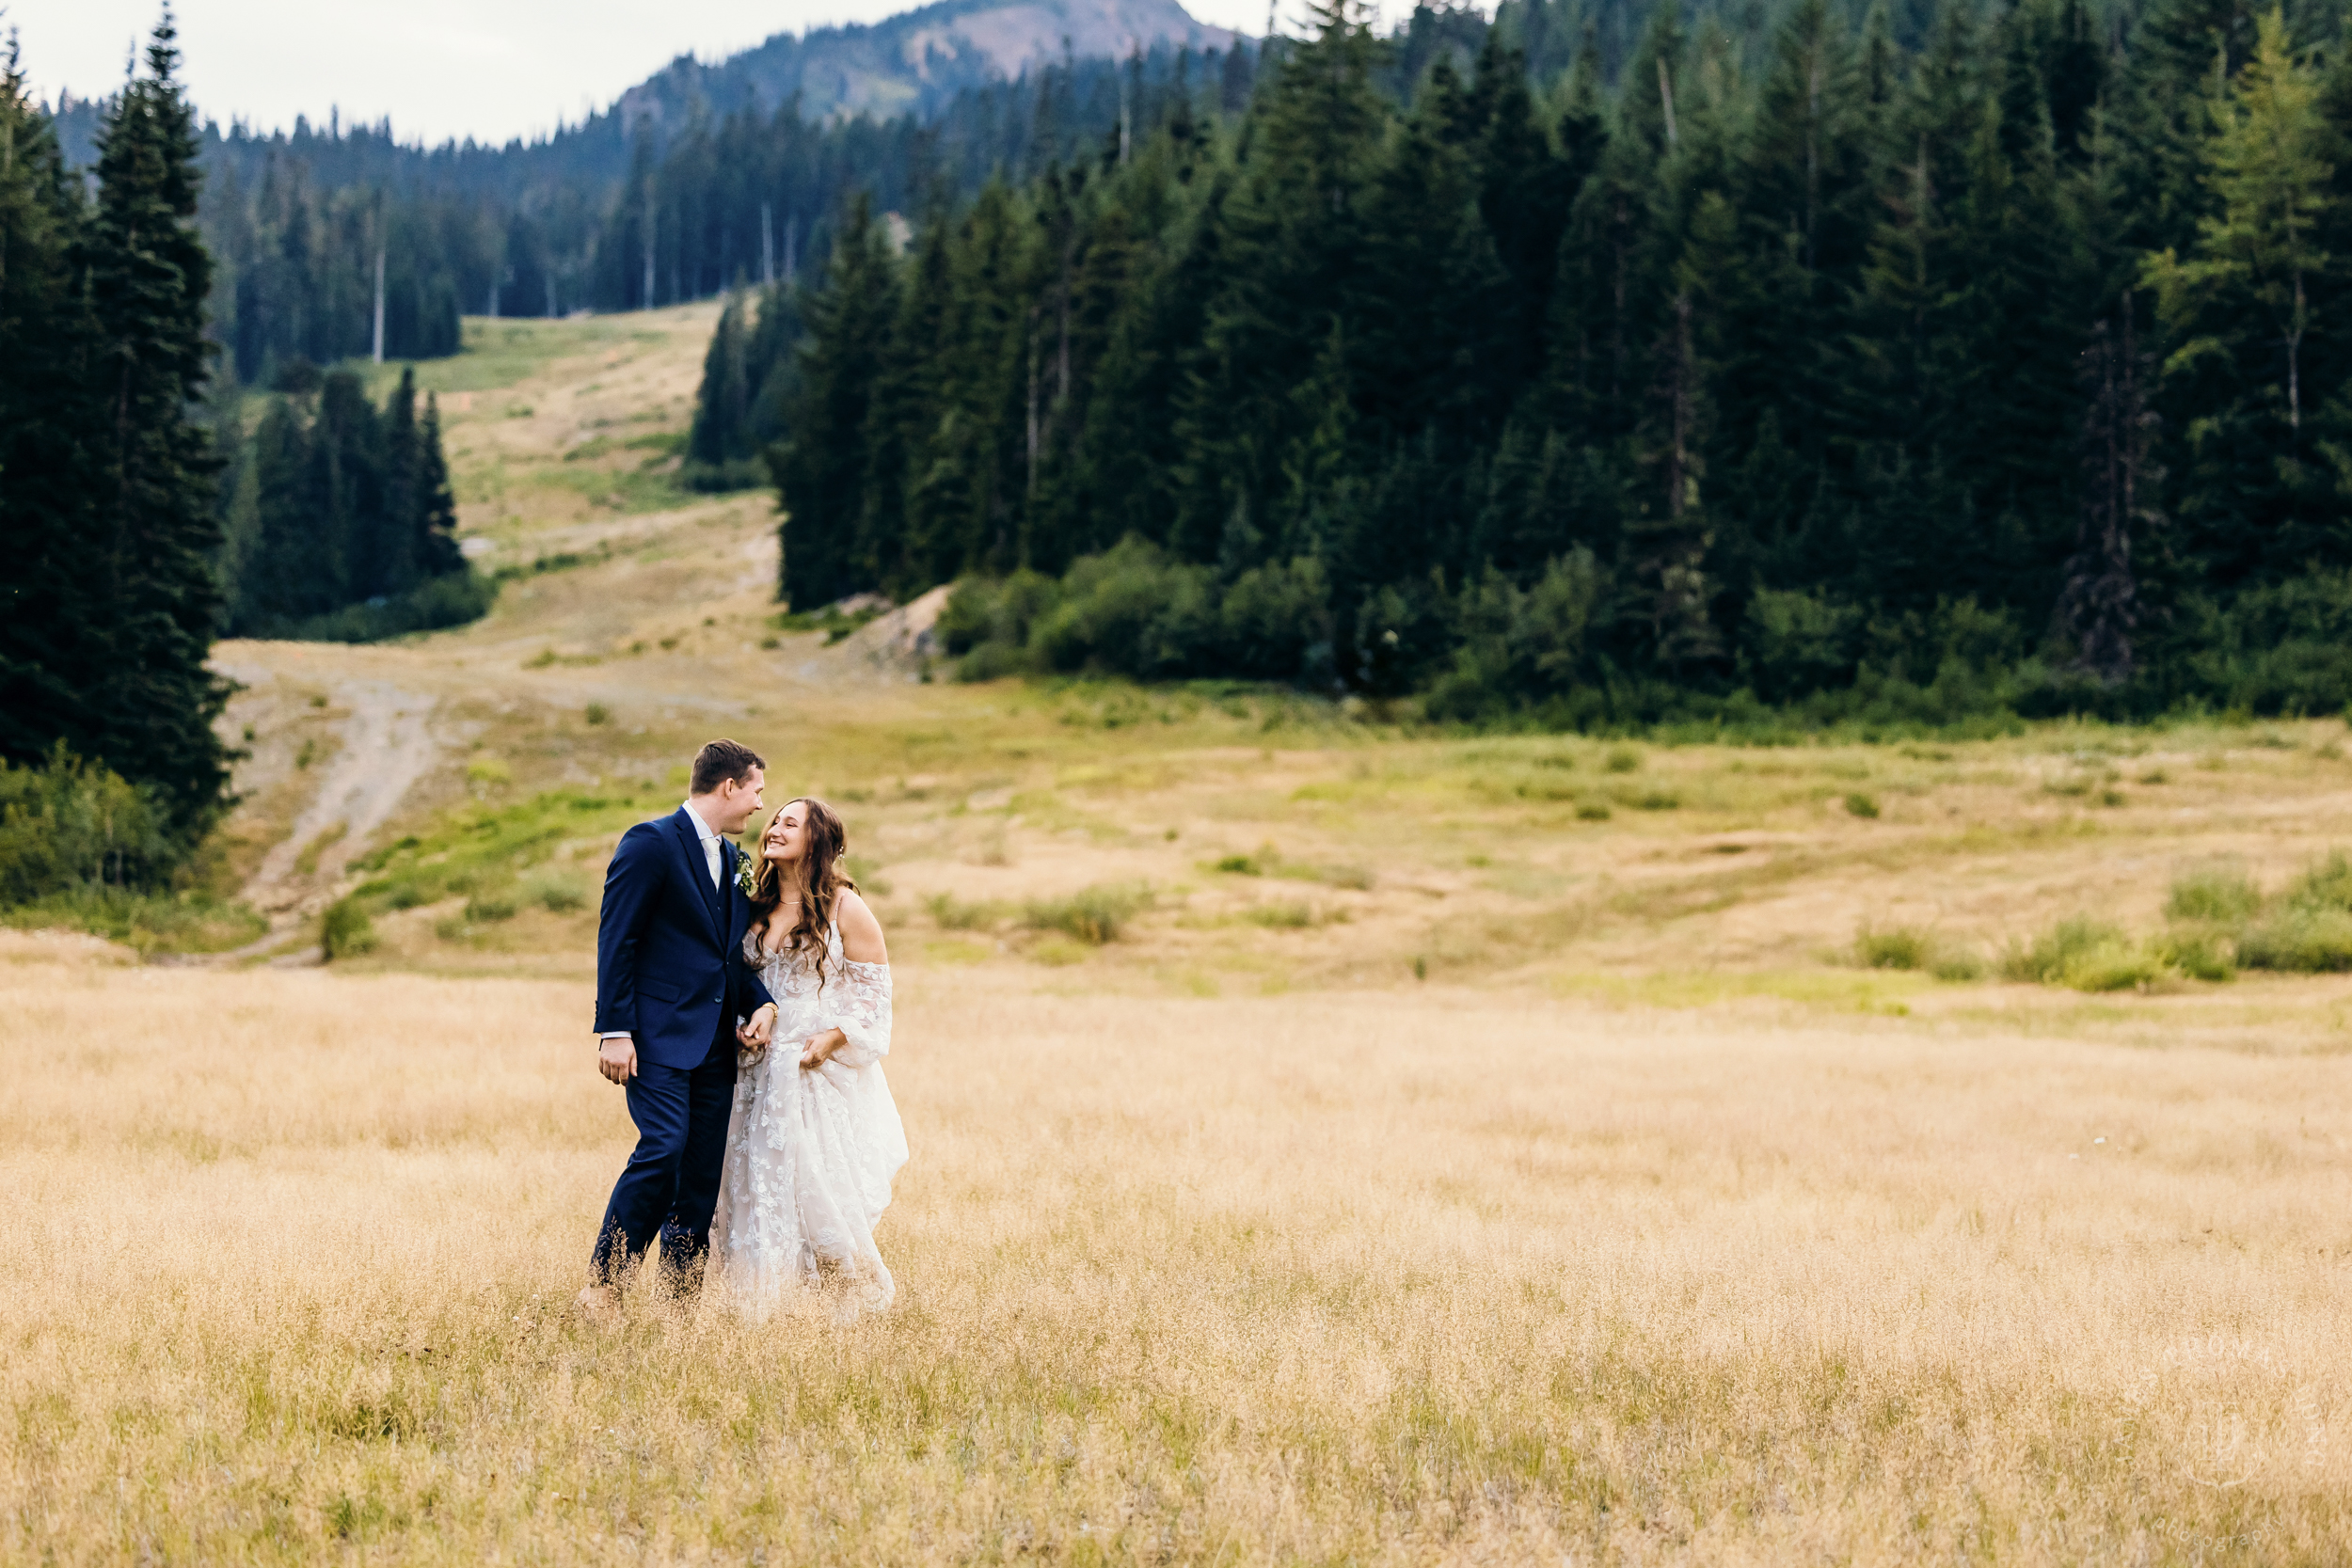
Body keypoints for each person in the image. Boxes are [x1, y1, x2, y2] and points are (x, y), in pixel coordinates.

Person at [577, 739, 779, 1324]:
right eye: (757, 791)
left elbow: (727, 957)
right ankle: (603, 1289)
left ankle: (679, 1307)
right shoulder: (651, 843)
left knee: (699, 1176)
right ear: (729, 787)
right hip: (655, 1037)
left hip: (717, 1043)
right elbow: (619, 938)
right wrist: (615, 1029)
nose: (759, 806)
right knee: (662, 1149)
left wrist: (761, 1004)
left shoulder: (733, 859)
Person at [710, 796, 906, 1316]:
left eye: (789, 824)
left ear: (815, 840)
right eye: (774, 820)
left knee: (810, 1184)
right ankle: (759, 1301)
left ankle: (839, 1300)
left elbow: (874, 998)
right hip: (750, 1070)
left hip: (809, 1070)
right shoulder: (752, 905)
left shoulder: (845, 907)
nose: (773, 828)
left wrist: (832, 1038)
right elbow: (734, 981)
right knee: (751, 1181)